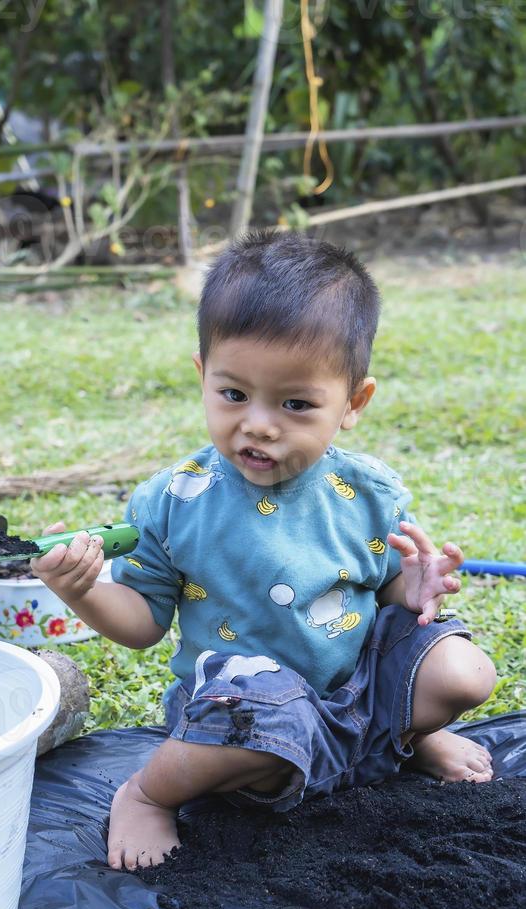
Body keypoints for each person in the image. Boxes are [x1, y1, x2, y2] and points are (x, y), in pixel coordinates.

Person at [32, 231, 497, 872]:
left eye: (296, 404)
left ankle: (404, 739)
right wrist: (79, 588)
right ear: (202, 376)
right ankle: (145, 792)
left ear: (353, 402)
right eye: (233, 394)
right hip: (240, 712)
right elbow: (142, 625)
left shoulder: (367, 491)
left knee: (464, 673)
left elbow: (383, 584)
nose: (258, 423)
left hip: (350, 692)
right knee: (262, 736)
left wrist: (411, 588)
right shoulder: (174, 500)